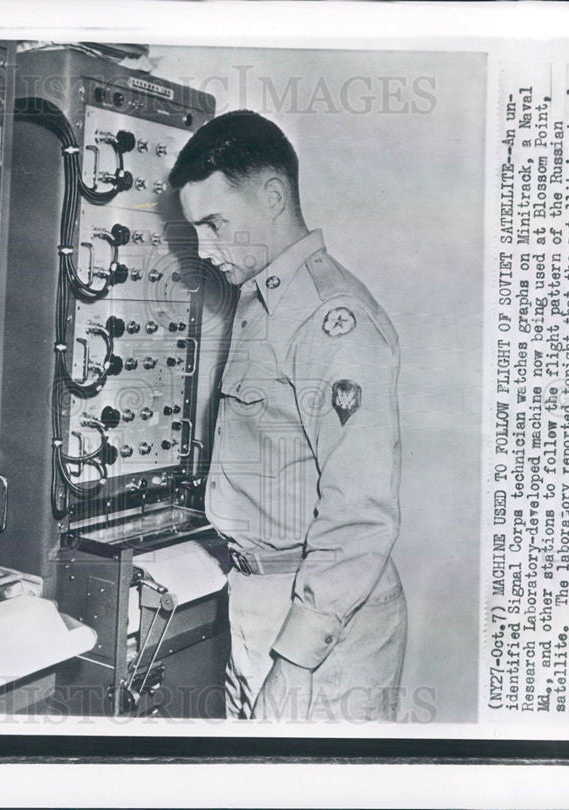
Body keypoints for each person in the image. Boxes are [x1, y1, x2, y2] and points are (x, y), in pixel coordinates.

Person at [169, 110, 407, 721]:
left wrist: (295, 660)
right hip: (257, 596)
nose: (203, 248)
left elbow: (360, 517)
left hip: (323, 627)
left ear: (273, 196)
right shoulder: (259, 304)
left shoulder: (333, 319)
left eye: (215, 223)